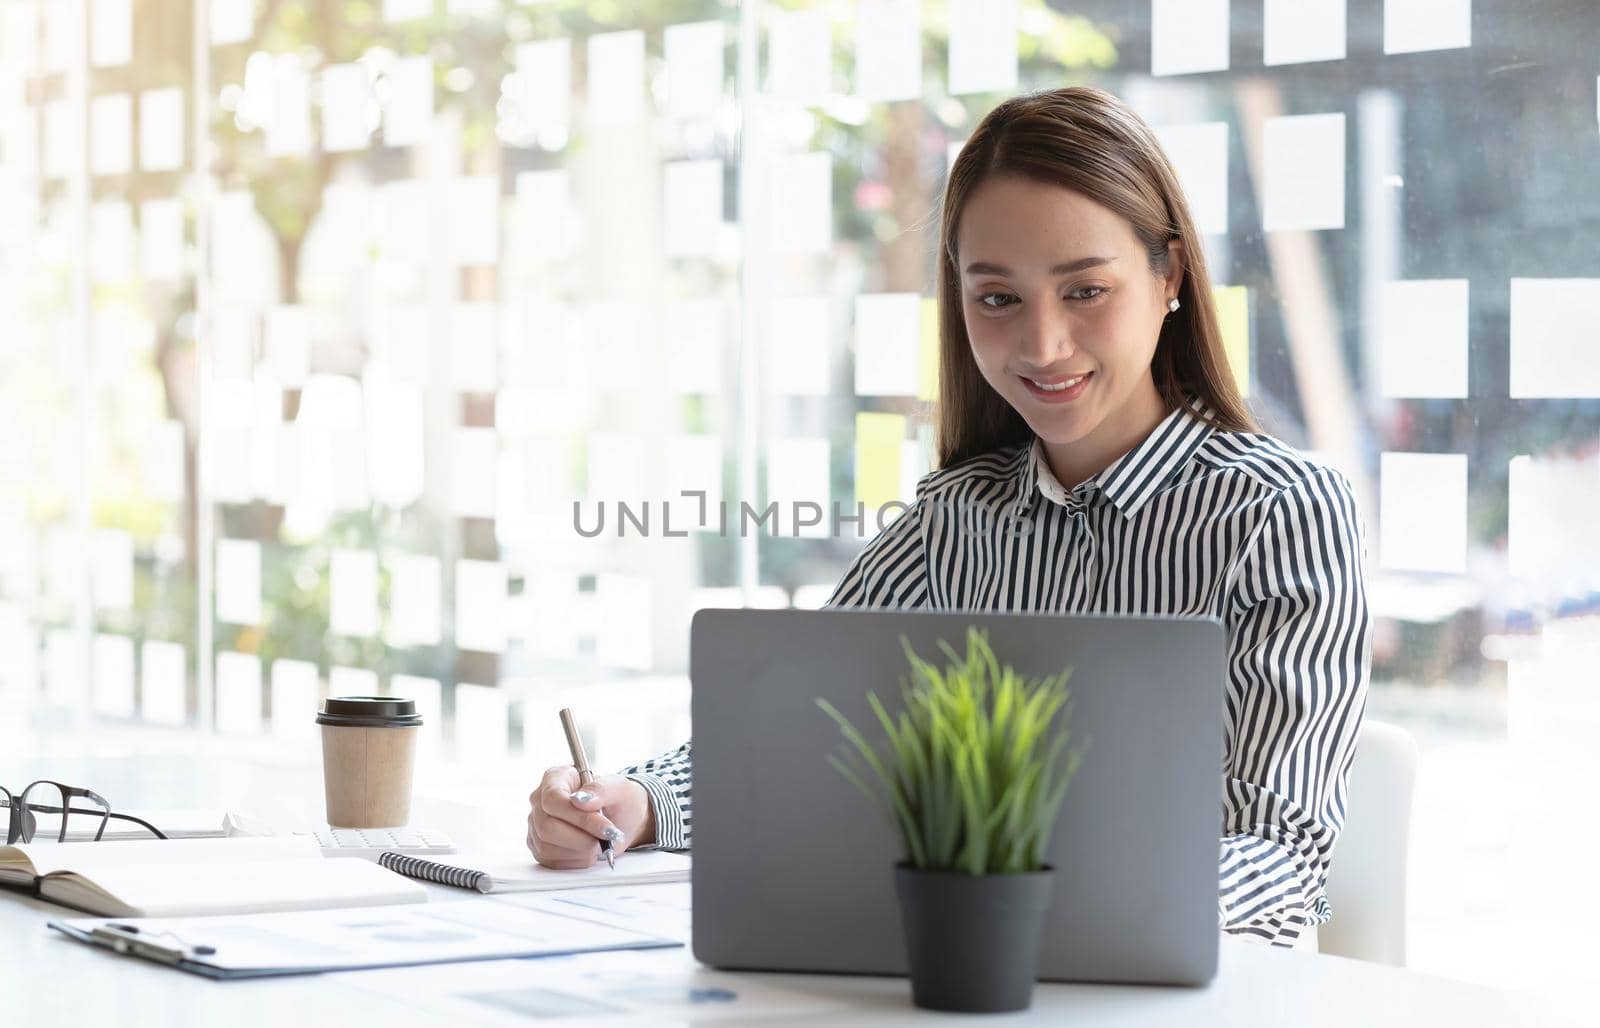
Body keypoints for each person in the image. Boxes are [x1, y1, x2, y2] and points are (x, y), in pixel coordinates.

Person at [526, 86, 1370, 950]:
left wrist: (1035, 901)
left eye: (1085, 291)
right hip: (963, 971)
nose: (1043, 346)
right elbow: (797, 736)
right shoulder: (956, 516)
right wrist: (632, 803)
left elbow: (1282, 853)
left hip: (1190, 985)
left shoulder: (1281, 514)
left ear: (1171, 278)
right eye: (998, 299)